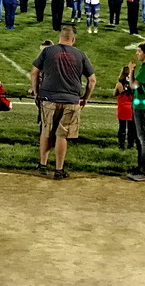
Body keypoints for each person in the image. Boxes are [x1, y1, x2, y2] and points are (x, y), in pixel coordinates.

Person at [29, 26, 97, 180]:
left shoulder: (47, 51)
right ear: (73, 39)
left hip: (49, 98)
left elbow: (34, 72)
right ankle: (59, 169)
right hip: (71, 100)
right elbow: (92, 80)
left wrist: (36, 90)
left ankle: (43, 165)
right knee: (62, 135)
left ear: (60, 37)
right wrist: (85, 97)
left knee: (46, 131)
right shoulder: (80, 54)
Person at [127, 41, 145, 182]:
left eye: (139, 51)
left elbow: (134, 86)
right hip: (142, 105)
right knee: (141, 139)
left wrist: (131, 71)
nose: (136, 53)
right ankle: (141, 167)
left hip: (143, 107)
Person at [114, 66, 136, 150]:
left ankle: (121, 145)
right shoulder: (132, 84)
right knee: (131, 128)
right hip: (131, 108)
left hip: (122, 108)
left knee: (122, 127)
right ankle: (130, 144)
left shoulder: (119, 84)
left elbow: (114, 93)